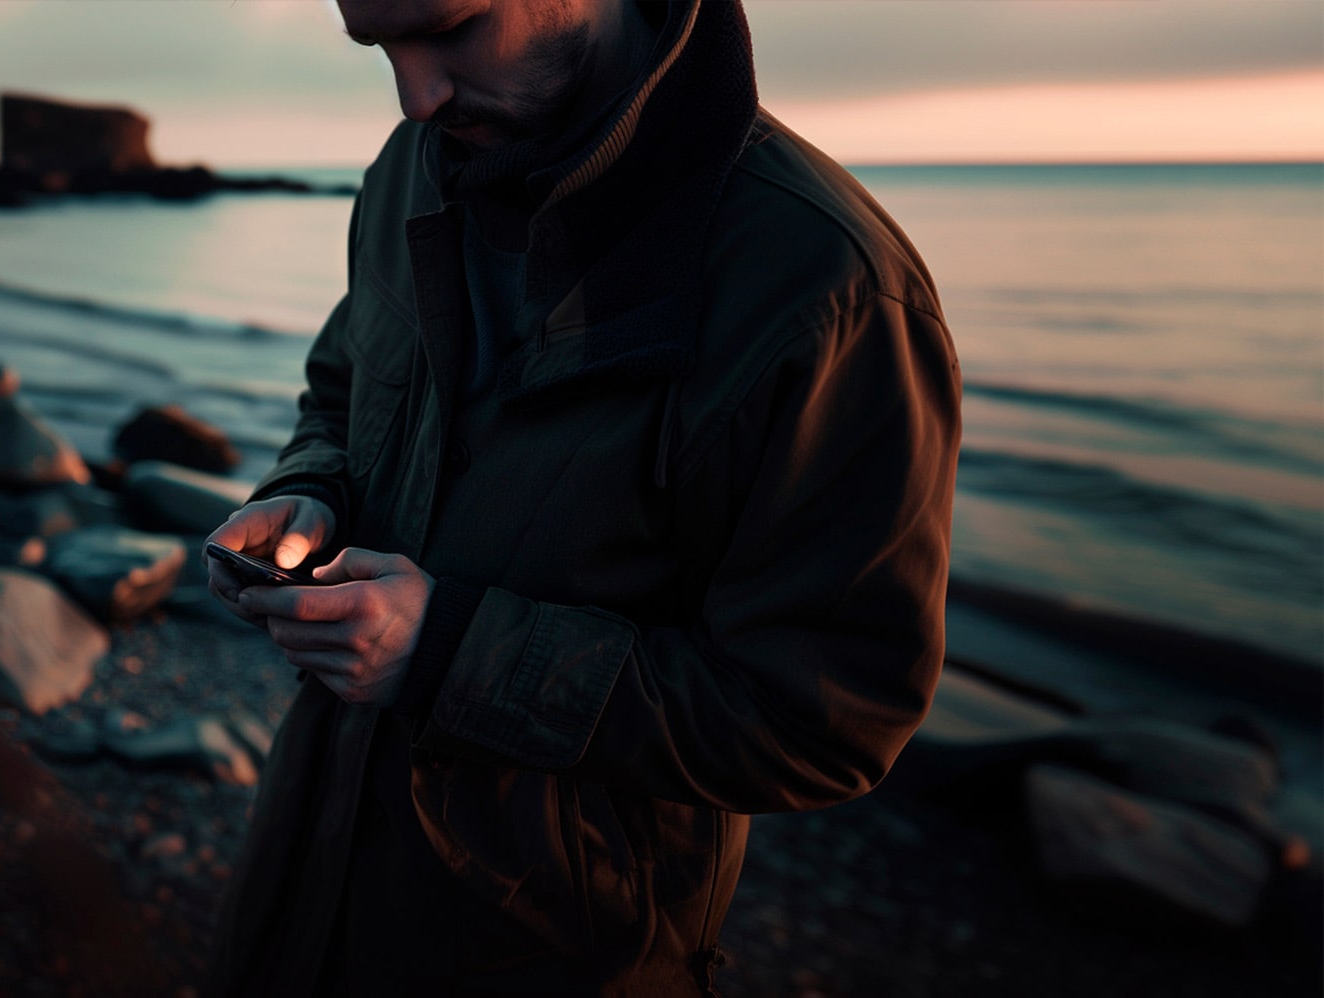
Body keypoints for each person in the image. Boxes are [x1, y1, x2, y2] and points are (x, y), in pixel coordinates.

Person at [200, 0, 961, 994]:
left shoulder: (826, 288)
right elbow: (340, 392)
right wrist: (309, 491)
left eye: (449, 28)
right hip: (297, 885)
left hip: (551, 954)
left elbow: (825, 719)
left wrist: (446, 650)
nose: (414, 93)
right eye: (380, 46)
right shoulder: (407, 171)